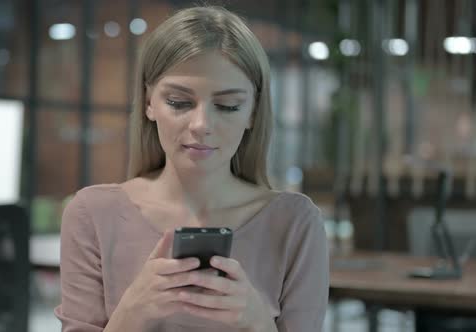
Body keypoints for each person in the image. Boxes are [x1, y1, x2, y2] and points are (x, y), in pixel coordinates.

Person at [55, 5, 329, 332]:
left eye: (228, 106)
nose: (201, 125)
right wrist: (131, 314)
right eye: (179, 102)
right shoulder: (92, 214)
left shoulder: (295, 223)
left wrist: (257, 323)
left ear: (253, 112)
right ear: (148, 102)